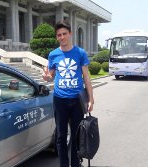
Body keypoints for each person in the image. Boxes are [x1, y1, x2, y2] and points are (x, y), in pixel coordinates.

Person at [42, 20, 94, 167]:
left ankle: (75, 164)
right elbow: (50, 75)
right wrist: (46, 77)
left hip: (77, 100)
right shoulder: (53, 55)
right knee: (61, 136)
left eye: (64, 34)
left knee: (77, 136)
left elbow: (86, 77)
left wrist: (91, 98)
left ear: (70, 34)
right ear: (56, 37)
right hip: (60, 100)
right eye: (59, 35)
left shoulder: (80, 53)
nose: (62, 37)